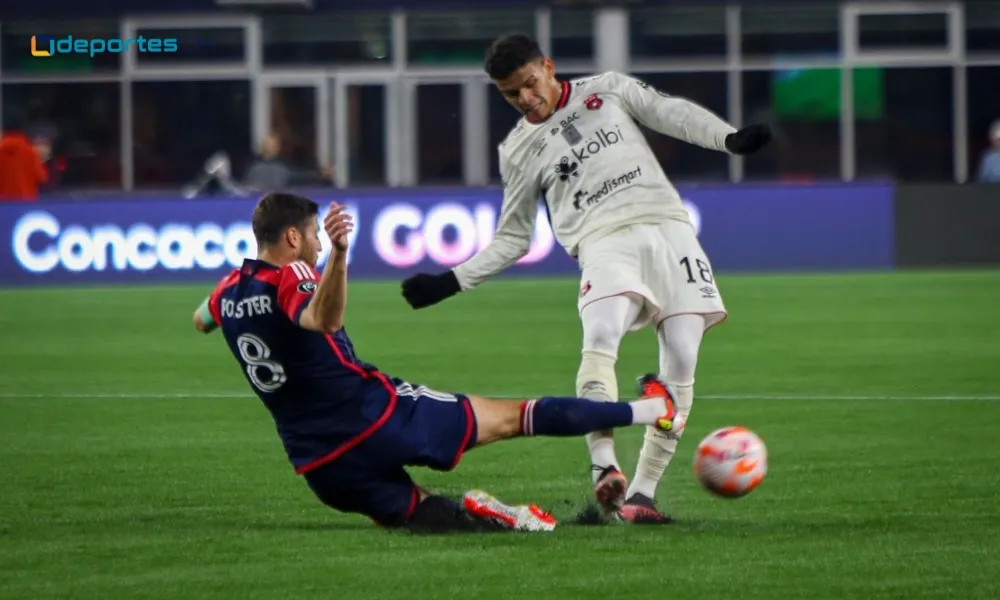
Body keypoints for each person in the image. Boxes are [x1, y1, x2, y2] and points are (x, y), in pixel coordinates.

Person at [400, 33, 771, 525]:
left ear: (549, 67)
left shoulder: (609, 89)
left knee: (682, 360)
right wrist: (451, 281)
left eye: (531, 84)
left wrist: (728, 138)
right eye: (512, 94)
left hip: (671, 231)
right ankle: (604, 467)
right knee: (601, 340)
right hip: (602, 242)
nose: (526, 99)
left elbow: (670, 113)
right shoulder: (517, 148)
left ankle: (641, 496)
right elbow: (513, 238)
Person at [193, 191, 680, 533]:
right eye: (315, 236)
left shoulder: (228, 291)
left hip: (320, 463)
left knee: (423, 511)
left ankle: (492, 518)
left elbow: (201, 320)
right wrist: (341, 255)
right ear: (293, 239)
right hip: (375, 417)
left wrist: (229, 314)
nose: (319, 245)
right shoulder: (295, 273)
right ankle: (651, 409)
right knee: (515, 417)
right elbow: (322, 319)